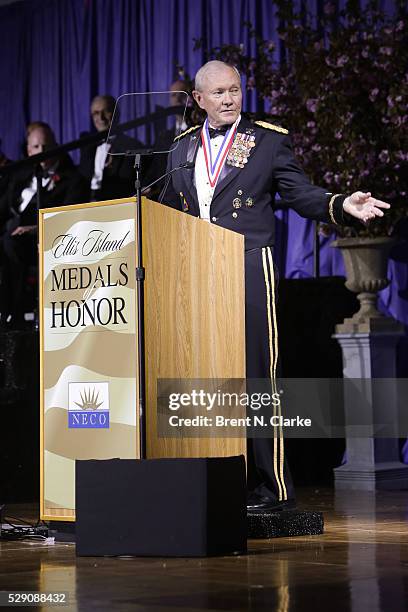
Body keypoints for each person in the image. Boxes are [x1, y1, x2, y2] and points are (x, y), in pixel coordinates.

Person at [163, 60, 390, 511]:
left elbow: (300, 194)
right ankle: (218, 478)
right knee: (207, 376)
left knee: (256, 375)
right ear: (198, 100)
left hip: (248, 264)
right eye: (219, 93)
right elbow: (170, 207)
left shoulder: (266, 140)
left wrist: (342, 202)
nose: (229, 99)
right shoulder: (181, 148)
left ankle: (270, 486)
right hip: (196, 272)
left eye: (235, 90)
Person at [0, 123, 87, 328]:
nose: (42, 152)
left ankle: (15, 314)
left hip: (45, 241)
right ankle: (7, 312)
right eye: (37, 147)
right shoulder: (20, 176)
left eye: (46, 146)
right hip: (11, 237)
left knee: (10, 245)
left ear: (56, 146)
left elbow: (69, 217)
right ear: (29, 151)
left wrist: (36, 228)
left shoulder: (72, 179)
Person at [79, 95, 140, 201]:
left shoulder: (131, 145)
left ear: (116, 114)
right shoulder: (87, 146)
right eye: (96, 113)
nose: (101, 118)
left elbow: (128, 183)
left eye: (106, 111)